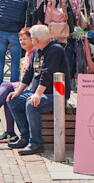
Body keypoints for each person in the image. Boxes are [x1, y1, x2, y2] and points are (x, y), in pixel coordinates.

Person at [6, 25, 71, 155]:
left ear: (37, 39)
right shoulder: (37, 51)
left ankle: (36, 143)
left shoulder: (55, 50)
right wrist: (17, 92)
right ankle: (25, 136)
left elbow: (47, 74)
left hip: (55, 94)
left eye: (32, 37)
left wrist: (37, 94)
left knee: (32, 104)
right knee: (14, 100)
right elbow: (29, 73)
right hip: (37, 92)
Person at [0, 0, 31, 93]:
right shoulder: (25, 0)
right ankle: (13, 89)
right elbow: (26, 18)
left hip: (2, 31)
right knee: (15, 62)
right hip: (15, 32)